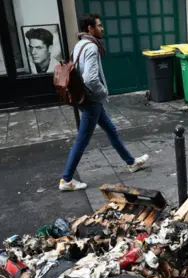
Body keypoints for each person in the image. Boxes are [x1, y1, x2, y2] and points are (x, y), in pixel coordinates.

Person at [59, 13, 149, 191]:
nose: (103, 28)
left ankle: (131, 162)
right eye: (99, 25)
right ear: (90, 29)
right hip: (92, 100)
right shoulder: (91, 47)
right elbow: (90, 78)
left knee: (111, 130)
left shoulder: (79, 45)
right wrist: (104, 91)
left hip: (88, 99)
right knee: (82, 140)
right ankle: (66, 179)